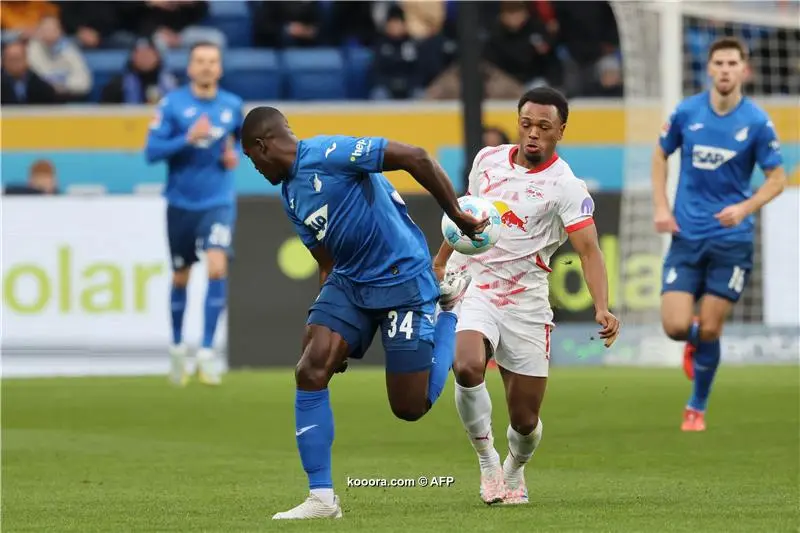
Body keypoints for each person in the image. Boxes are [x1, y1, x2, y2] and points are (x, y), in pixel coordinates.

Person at [240, 105, 487, 520]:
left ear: (263, 147)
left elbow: (416, 158)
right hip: (350, 283)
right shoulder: (289, 195)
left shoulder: (329, 153)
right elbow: (327, 264)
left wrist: (457, 215)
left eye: (252, 159)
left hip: (403, 281)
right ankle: (322, 498)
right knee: (310, 367)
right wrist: (322, 324)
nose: (255, 168)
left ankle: (448, 312)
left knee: (409, 407)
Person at [433, 87, 620, 505]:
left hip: (526, 301)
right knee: (465, 365)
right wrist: (441, 261)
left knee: (525, 419)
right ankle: (486, 463)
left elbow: (588, 250)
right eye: (526, 124)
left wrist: (603, 306)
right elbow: (467, 217)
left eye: (544, 127)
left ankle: (514, 470)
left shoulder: (566, 187)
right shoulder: (487, 160)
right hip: (477, 283)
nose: (532, 133)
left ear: (561, 131)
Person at [651, 37, 786, 432]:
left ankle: (696, 407)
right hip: (687, 236)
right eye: (719, 63)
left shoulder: (757, 122)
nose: (726, 69)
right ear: (709, 69)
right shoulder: (686, 112)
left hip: (732, 240)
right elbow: (660, 154)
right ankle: (696, 343)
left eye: (733, 63)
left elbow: (777, 178)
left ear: (744, 70)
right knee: (676, 327)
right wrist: (661, 206)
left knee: (712, 327)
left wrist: (744, 208)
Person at [144, 42, 242, 386]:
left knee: (217, 265)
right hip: (181, 203)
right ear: (189, 68)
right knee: (181, 276)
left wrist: (235, 157)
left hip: (218, 200)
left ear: (220, 69)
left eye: (212, 62)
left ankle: (206, 352)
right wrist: (187, 138)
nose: (206, 67)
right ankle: (176, 349)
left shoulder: (232, 106)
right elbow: (151, 152)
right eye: (200, 61)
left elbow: (239, 143)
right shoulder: (172, 105)